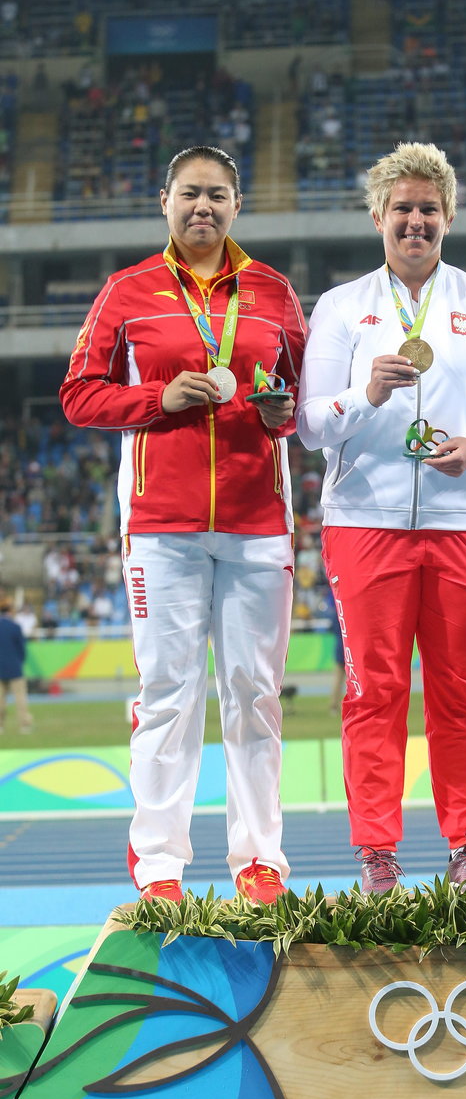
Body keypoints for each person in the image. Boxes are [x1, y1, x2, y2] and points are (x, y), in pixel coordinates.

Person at [297, 142, 466, 893]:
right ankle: (377, 851)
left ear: (448, 218)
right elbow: (309, 426)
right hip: (364, 521)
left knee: (459, 692)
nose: (415, 222)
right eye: (402, 209)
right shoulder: (342, 306)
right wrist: (363, 396)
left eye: (428, 210)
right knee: (373, 690)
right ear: (379, 216)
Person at [60, 145, 307, 905]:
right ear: (164, 200)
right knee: (168, 690)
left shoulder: (272, 292)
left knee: (254, 693)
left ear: (238, 205)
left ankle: (258, 860)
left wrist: (280, 412)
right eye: (190, 194)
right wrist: (155, 402)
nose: (204, 207)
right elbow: (78, 395)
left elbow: (298, 397)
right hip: (161, 525)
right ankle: (160, 864)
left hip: (258, 521)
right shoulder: (125, 291)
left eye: (219, 196)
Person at [0, 597, 33, 734]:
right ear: (10, 611)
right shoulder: (15, 627)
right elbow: (22, 650)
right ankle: (24, 725)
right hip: (15, 669)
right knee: (20, 699)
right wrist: (19, 662)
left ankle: (0, 727)